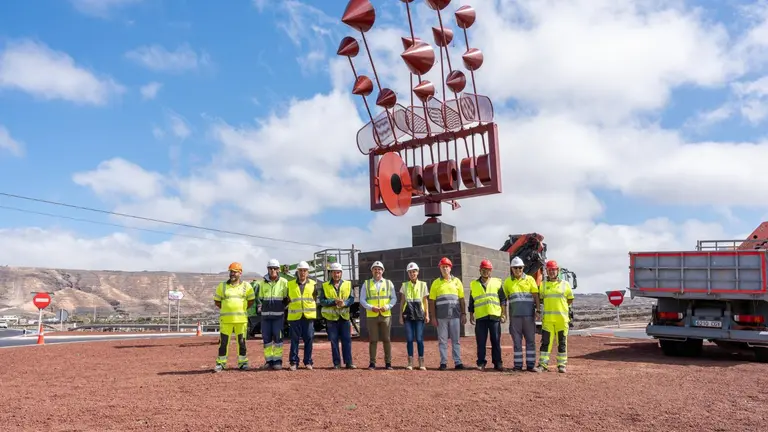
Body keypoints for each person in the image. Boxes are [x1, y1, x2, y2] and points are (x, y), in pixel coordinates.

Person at [213, 262, 256, 372]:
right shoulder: (222, 286)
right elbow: (217, 302)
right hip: (226, 321)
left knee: (242, 342)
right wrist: (228, 309)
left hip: (241, 321)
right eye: (231, 271)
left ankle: (243, 363)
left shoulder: (246, 286)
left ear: (240, 273)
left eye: (234, 272)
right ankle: (221, 363)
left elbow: (251, 301)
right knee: (223, 343)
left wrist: (239, 309)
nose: (232, 274)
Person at [503, 256, 541, 372]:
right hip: (515, 318)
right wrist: (504, 314)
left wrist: (538, 310)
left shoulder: (530, 279)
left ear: (523, 267)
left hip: (528, 317)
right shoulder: (508, 282)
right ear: (511, 269)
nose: (517, 270)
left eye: (519, 267)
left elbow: (535, 296)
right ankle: (518, 366)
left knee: (530, 341)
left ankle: (530, 365)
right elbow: (505, 299)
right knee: (517, 342)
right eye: (515, 268)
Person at [429, 257, 466, 370]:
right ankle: (443, 362)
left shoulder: (457, 281)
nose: (445, 268)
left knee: (456, 340)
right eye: (442, 267)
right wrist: (433, 317)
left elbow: (461, 299)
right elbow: (432, 301)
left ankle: (458, 362)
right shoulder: (436, 283)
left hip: (455, 316)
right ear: (440, 268)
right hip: (441, 317)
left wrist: (463, 313)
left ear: (450, 268)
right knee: (442, 341)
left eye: (446, 266)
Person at [468, 259, 506, 371]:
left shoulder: (497, 282)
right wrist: (471, 315)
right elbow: (472, 301)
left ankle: (497, 362)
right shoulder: (474, 284)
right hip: (481, 317)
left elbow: (503, 299)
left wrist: (503, 314)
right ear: (480, 270)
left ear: (491, 271)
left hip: (494, 316)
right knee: (481, 341)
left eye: (488, 270)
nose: (485, 272)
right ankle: (481, 362)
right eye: (483, 269)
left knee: (496, 340)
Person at [537, 260, 574, 373]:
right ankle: (543, 364)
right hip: (548, 321)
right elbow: (541, 298)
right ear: (547, 271)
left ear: (557, 271)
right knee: (545, 343)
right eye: (549, 270)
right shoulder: (543, 285)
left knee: (562, 343)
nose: (552, 272)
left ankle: (561, 365)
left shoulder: (565, 285)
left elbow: (570, 299)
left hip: (561, 321)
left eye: (554, 270)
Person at [318, 262, 356, 369]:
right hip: (331, 319)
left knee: (347, 341)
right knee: (334, 342)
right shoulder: (325, 285)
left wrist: (345, 303)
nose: (336, 275)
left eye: (338, 272)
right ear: (331, 273)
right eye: (334, 272)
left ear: (341, 273)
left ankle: (348, 362)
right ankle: (336, 363)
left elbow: (351, 298)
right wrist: (334, 301)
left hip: (344, 317)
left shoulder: (348, 284)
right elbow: (322, 301)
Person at [360, 261, 397, 370]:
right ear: (372, 271)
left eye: (379, 269)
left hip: (385, 315)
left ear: (383, 271)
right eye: (375, 269)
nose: (377, 271)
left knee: (386, 339)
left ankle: (388, 363)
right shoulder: (366, 284)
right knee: (373, 340)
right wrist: (371, 307)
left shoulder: (388, 283)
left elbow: (394, 298)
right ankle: (372, 363)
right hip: (372, 315)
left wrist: (387, 306)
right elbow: (362, 299)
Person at [255, 259, 289, 370]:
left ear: (278, 269)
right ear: (267, 269)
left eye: (275, 268)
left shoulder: (284, 282)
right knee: (267, 340)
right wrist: (260, 309)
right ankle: (269, 361)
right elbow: (259, 299)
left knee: (278, 339)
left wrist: (282, 308)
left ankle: (277, 361)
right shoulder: (262, 283)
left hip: (278, 317)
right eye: (270, 268)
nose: (273, 270)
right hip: (265, 317)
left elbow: (287, 298)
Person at [398, 262, 429, 371]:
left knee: (420, 339)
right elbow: (402, 301)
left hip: (420, 315)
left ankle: (421, 362)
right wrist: (400, 316)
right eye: (410, 272)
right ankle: (410, 362)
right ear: (408, 273)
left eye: (414, 271)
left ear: (418, 272)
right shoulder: (404, 285)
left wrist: (427, 314)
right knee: (410, 339)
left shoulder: (423, 285)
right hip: (408, 315)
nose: (412, 273)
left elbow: (425, 301)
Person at [286, 261, 317, 371]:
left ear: (308, 272)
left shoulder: (314, 284)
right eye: (300, 270)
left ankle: (308, 362)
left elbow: (316, 298)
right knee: (294, 340)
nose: (302, 273)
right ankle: (294, 362)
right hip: (295, 317)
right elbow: (286, 299)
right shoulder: (290, 285)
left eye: (305, 270)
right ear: (297, 272)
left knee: (309, 339)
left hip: (308, 317)